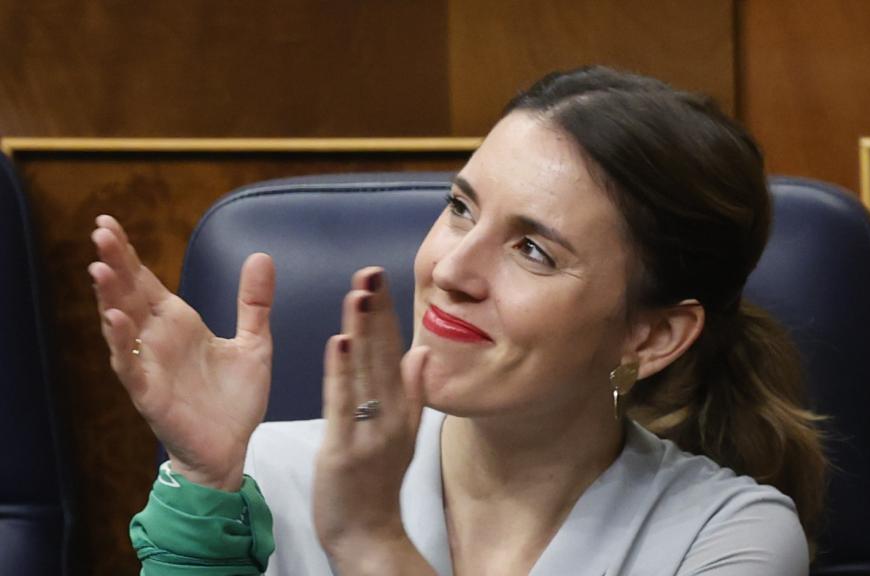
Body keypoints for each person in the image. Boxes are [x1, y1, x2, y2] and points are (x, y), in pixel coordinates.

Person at [89, 66, 827, 575]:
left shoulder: (730, 538)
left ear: (652, 335)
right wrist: (204, 481)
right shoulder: (266, 473)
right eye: (460, 208)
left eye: (533, 250)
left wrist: (373, 541)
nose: (450, 268)